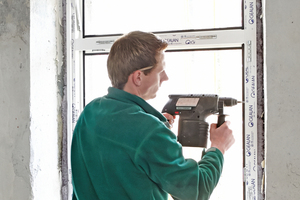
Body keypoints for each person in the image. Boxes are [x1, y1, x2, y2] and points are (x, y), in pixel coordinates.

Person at [71, 31, 235, 200]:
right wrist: (218, 147)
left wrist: (156, 129)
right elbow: (196, 190)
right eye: (160, 71)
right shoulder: (149, 131)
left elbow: (120, 159)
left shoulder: (89, 112)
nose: (165, 77)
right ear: (138, 77)